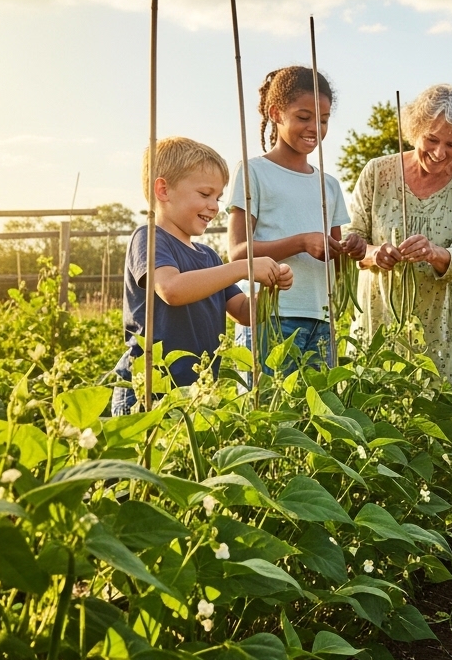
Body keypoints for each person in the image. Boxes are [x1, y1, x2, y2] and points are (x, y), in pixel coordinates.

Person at [112, 136, 292, 415]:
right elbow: (171, 289)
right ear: (163, 189)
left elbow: (244, 313)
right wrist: (243, 266)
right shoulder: (148, 238)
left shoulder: (208, 256)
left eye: (218, 198)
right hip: (148, 389)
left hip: (198, 392)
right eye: (205, 194)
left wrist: (271, 287)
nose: (214, 206)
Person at [346, 84, 452, 399]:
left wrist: (434, 253)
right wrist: (374, 253)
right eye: (432, 139)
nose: (440, 153)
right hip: (380, 314)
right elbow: (351, 236)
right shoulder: (378, 172)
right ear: (415, 130)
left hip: (441, 323)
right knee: (375, 404)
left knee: (444, 416)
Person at [228, 67, 366, 372]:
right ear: (276, 113)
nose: (315, 127)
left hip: (321, 319)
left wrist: (351, 249)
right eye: (304, 117)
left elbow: (337, 261)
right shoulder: (254, 172)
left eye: (324, 120)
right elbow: (238, 252)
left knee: (314, 416)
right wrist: (301, 242)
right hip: (271, 316)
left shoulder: (329, 185)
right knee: (269, 414)